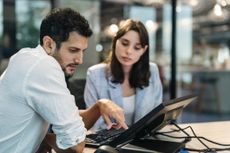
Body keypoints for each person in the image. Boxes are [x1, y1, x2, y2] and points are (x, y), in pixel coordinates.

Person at [0, 8, 128, 153]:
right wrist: (45, 138)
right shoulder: (44, 67)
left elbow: (65, 117)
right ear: (49, 44)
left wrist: (99, 106)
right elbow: (75, 145)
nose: (80, 60)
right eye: (73, 50)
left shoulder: (25, 57)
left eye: (82, 51)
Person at [84, 19, 163, 130]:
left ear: (144, 50)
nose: (129, 51)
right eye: (124, 43)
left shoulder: (152, 71)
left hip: (143, 141)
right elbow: (95, 125)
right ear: (115, 42)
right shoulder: (95, 74)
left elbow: (157, 115)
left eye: (137, 47)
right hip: (109, 143)